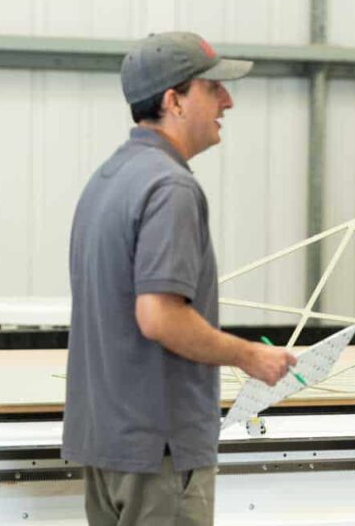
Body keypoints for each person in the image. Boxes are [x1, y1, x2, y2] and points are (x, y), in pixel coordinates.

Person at [63, 31, 296, 526]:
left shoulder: (108, 181)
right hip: (159, 451)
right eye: (213, 89)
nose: (227, 101)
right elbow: (160, 317)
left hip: (108, 445)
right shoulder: (170, 186)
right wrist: (251, 355)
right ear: (174, 101)